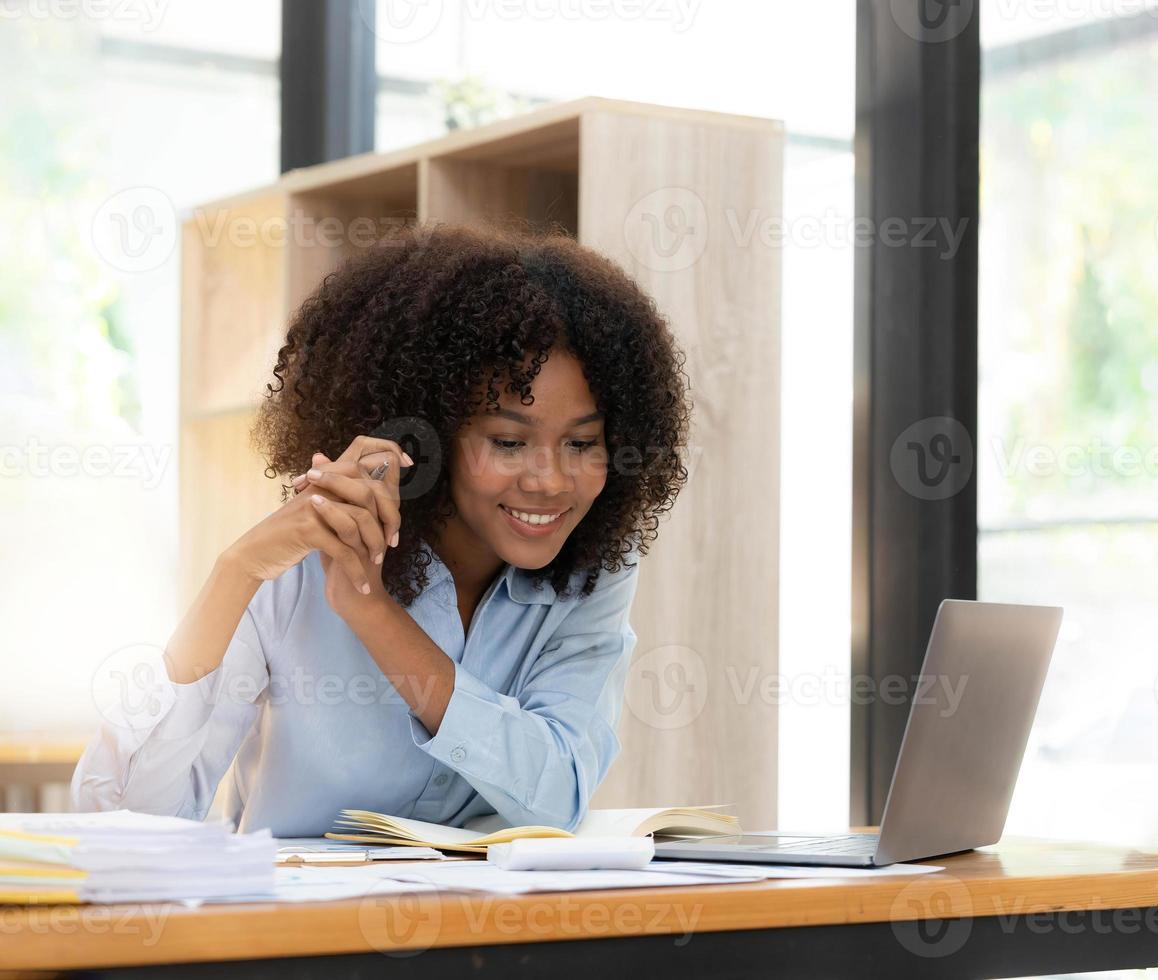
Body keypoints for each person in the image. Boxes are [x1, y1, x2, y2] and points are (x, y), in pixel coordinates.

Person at [72, 225, 693, 837]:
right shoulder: (302, 559)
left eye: (582, 443)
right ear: (430, 431)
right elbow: (124, 823)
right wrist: (234, 573)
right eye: (508, 442)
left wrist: (375, 616)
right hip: (299, 929)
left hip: (488, 931)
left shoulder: (594, 572)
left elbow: (558, 793)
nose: (551, 481)